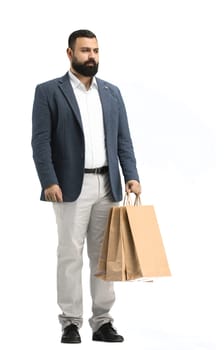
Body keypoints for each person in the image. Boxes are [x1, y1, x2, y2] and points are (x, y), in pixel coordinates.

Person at [31, 29, 141, 344]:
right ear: (70, 54)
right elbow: (40, 142)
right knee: (70, 255)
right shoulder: (49, 92)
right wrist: (49, 180)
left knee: (105, 257)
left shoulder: (111, 92)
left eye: (95, 50)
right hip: (68, 187)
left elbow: (124, 140)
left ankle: (103, 322)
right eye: (84, 51)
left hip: (108, 185)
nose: (91, 56)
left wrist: (131, 175)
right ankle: (70, 322)